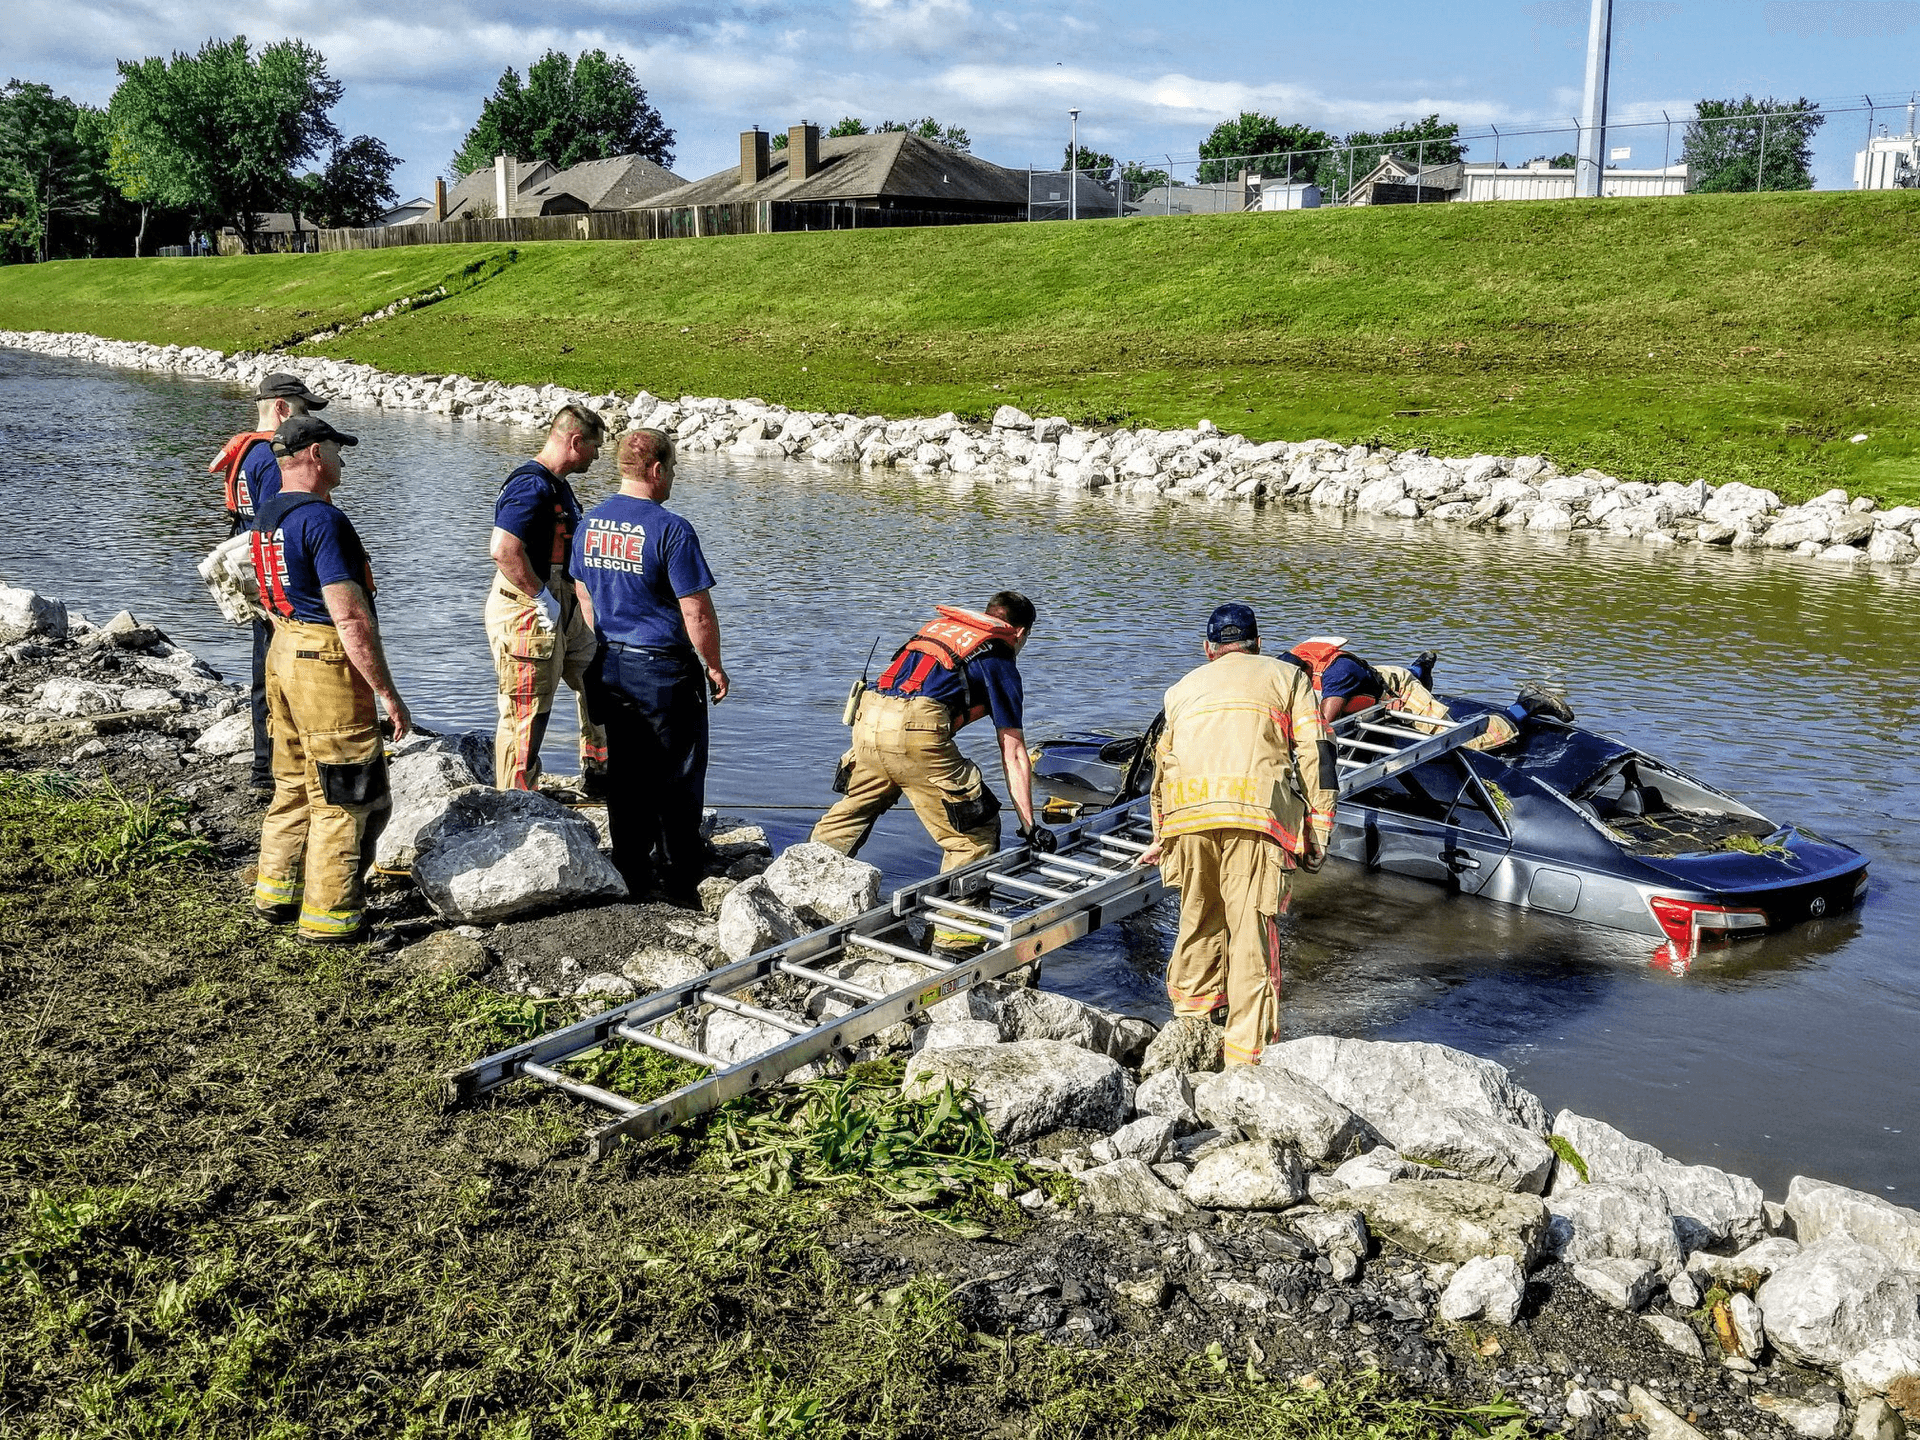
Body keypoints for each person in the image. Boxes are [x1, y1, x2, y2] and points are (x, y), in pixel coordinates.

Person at [1139, 604, 1334, 1067]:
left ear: (1208, 649)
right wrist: (1319, 829)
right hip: (1256, 816)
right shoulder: (1288, 678)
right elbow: (1317, 753)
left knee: (1199, 916)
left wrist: (1161, 833)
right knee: (1251, 930)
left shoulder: (1181, 688)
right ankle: (1246, 1056)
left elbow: (1161, 765)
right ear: (1258, 644)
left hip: (1187, 816)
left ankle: (1192, 1023)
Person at [811, 590, 1050, 956]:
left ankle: (799, 886)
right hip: (916, 729)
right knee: (973, 834)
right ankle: (958, 940)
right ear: (1019, 633)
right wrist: (1029, 825)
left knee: (855, 809)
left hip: (868, 719)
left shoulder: (939, 631)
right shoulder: (999, 654)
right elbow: (1014, 751)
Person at [249, 415, 411, 945]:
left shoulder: (268, 512)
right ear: (315, 454)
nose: (343, 459)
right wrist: (386, 690)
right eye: (338, 450)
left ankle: (276, 892)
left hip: (280, 649)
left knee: (293, 781)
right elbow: (350, 617)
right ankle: (331, 915)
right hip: (323, 660)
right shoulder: (324, 520)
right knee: (347, 793)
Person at [571, 428, 726, 906]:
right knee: (677, 774)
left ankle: (631, 869)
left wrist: (605, 640)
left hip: (610, 661)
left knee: (627, 769)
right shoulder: (670, 528)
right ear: (657, 470)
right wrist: (714, 665)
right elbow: (695, 610)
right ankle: (681, 876)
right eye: (673, 469)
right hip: (662, 669)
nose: (673, 478)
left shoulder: (589, 523)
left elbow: (583, 594)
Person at [209, 372, 330, 795]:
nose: (303, 419)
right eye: (301, 410)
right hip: (273, 577)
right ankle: (269, 770)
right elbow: (276, 524)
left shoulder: (247, 452)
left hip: (253, 569)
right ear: (281, 407)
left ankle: (269, 766)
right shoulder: (272, 456)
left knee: (266, 666)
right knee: (274, 668)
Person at [487, 403, 609, 795]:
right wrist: (540, 596)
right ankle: (516, 797)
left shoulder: (558, 485)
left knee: (599, 676)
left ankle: (600, 772)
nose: (597, 455)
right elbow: (504, 549)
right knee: (529, 705)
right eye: (594, 446)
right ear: (575, 441)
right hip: (528, 607)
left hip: (564, 601)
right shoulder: (530, 484)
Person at [1283, 636, 1574, 750]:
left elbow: (1321, 726)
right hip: (1374, 681)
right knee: (1383, 681)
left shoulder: (1337, 675)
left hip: (1396, 691)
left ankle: (1527, 704)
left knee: (1467, 742)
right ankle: (1421, 668)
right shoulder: (1292, 661)